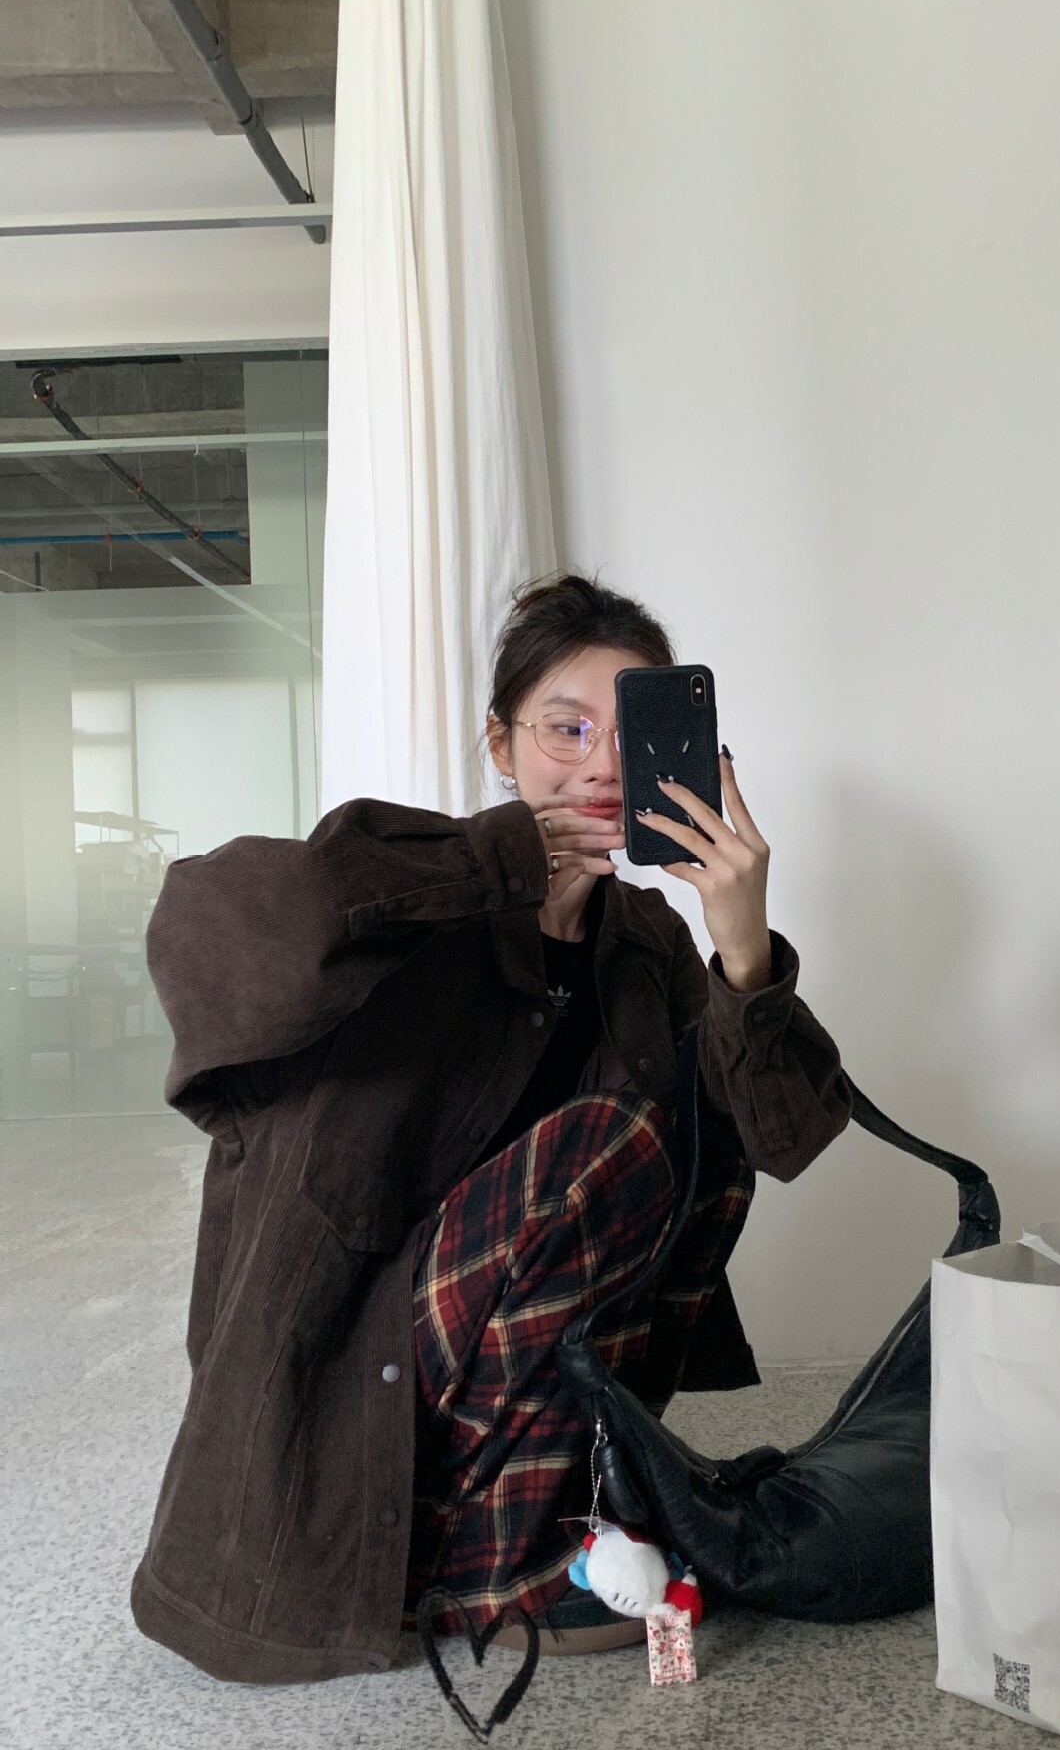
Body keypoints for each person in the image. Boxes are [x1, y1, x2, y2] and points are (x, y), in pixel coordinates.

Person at [130, 570, 852, 1684]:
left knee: (696, 1149)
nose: (602, 764)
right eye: (566, 728)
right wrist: (497, 862)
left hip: (515, 1352)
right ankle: (476, 1558)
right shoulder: (410, 888)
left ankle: (526, 1517)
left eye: (633, 732)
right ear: (499, 745)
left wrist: (742, 942)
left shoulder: (644, 942)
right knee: (601, 1143)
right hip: (361, 1346)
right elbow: (204, 930)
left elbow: (779, 1140)